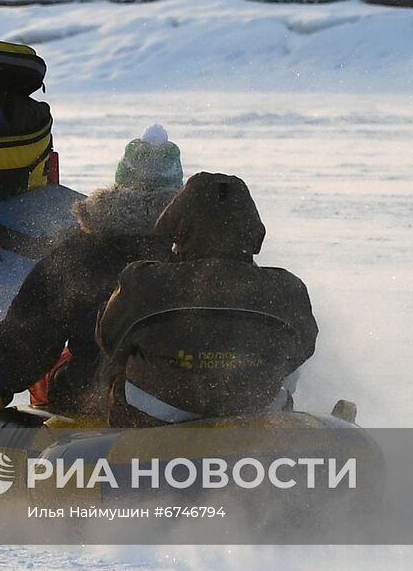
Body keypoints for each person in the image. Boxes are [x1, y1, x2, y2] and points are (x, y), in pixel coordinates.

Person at [0, 126, 184, 418]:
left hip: (101, 398)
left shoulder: (82, 249)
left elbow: (31, 331)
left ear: (121, 182)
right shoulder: (202, 246)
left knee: (61, 369)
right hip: (200, 394)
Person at [96, 172, 319, 427]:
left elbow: (110, 339)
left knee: (117, 367)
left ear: (178, 227)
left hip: (156, 417)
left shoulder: (144, 282)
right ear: (252, 230)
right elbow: (303, 348)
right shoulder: (287, 289)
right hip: (255, 413)